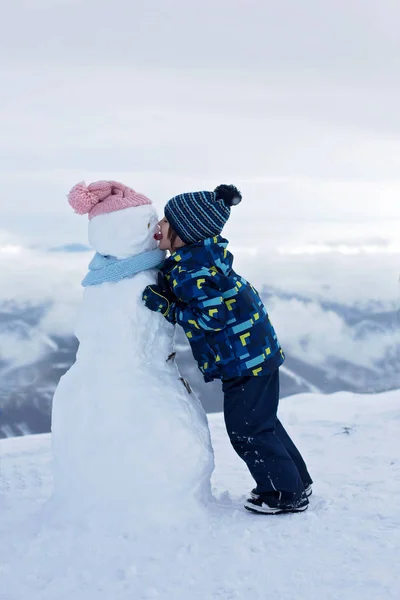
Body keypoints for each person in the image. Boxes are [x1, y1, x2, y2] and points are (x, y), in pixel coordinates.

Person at [142, 184, 313, 514]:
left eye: (166, 220)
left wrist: (165, 307)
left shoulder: (192, 270)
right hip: (257, 355)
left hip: (245, 363)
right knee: (263, 423)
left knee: (247, 430)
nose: (158, 226)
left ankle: (283, 494)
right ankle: (296, 483)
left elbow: (211, 318)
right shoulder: (203, 258)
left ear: (186, 232)